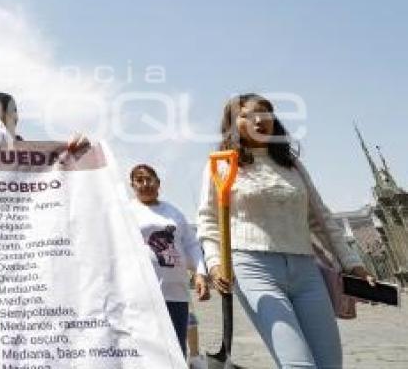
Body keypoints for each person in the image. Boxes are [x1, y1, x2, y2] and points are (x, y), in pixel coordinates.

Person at [197, 93, 374, 368]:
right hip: (252, 268)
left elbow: (321, 218)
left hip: (306, 270)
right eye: (246, 115)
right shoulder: (221, 164)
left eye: (263, 113)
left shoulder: (292, 166)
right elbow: (209, 219)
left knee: (330, 363)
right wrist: (215, 263)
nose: (258, 119)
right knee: (298, 364)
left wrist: (353, 264)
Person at [127, 164, 209, 357]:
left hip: (176, 294)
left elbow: (191, 245)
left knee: (176, 350)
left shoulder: (174, 213)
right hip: (142, 295)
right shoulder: (125, 212)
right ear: (132, 185)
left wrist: (200, 273)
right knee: (146, 352)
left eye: (149, 179)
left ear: (158, 183)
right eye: (139, 180)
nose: (145, 184)